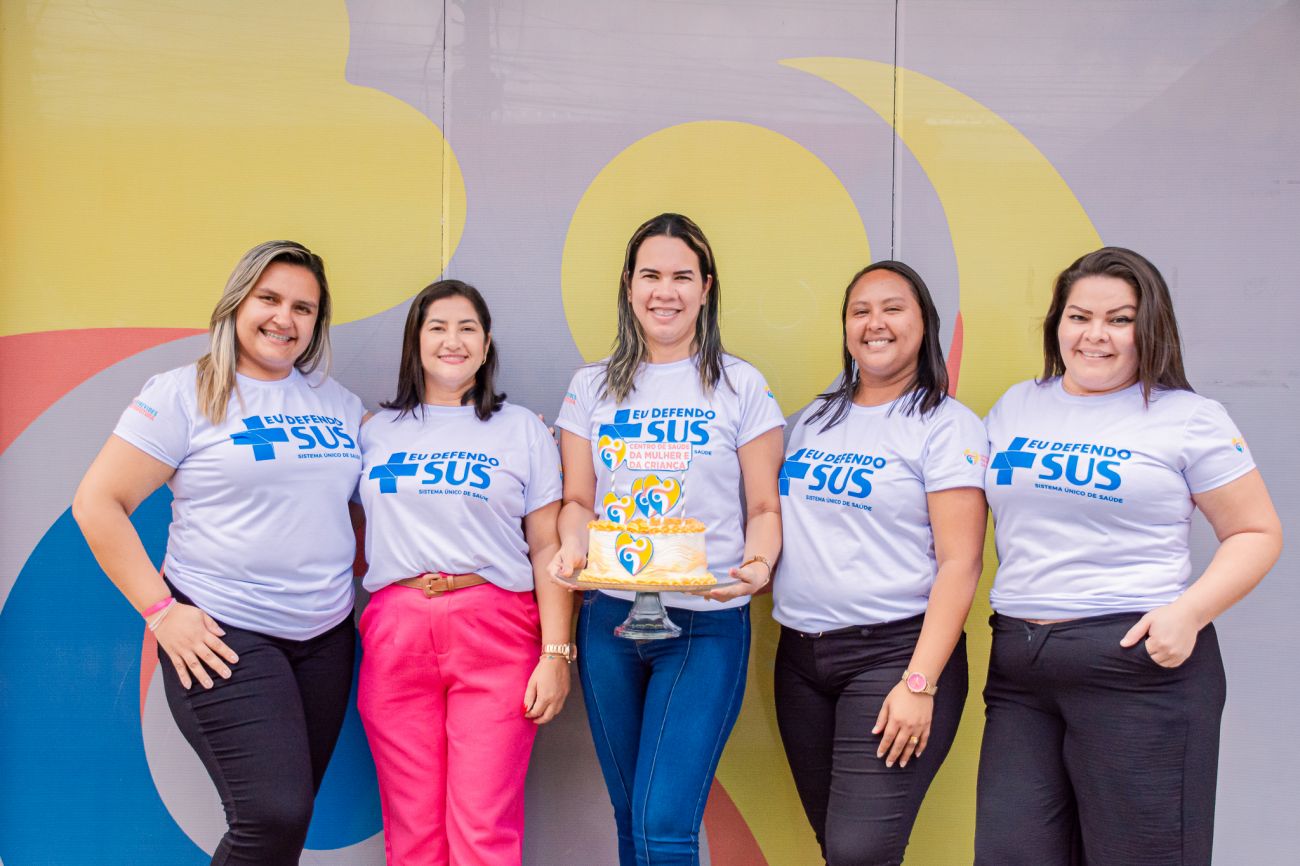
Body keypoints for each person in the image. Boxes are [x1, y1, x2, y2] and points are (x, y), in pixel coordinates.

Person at [975, 247, 1283, 865]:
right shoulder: (1016, 405)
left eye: (1119, 319)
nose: (1095, 335)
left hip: (1136, 667)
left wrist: (1189, 613)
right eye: (1079, 316)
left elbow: (1256, 531)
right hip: (1021, 673)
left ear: (1150, 328)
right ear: (1057, 323)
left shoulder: (1189, 418)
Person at [73, 241, 364, 865]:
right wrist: (161, 612)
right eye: (269, 299)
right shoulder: (184, 393)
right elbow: (97, 503)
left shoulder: (337, 404)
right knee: (271, 816)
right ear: (237, 304)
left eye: (303, 308)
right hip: (225, 632)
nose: (284, 318)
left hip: (325, 638)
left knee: (284, 827)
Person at [549, 213, 785, 866]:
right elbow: (577, 501)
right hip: (609, 621)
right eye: (650, 275)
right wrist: (571, 546)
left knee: (663, 823)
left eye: (682, 276)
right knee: (632, 820)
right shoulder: (591, 386)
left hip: (705, 622)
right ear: (629, 286)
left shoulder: (741, 385)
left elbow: (764, 505)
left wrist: (759, 563)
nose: (665, 291)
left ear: (706, 288)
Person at [773, 261, 987, 866]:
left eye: (893, 308)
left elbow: (961, 563)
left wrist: (919, 683)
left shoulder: (946, 426)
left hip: (892, 656)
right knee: (838, 848)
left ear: (925, 323)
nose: (875, 323)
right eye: (860, 311)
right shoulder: (815, 419)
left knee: (859, 851)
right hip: (800, 660)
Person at [355, 279, 570, 866]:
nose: (453, 341)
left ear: (486, 343)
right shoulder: (373, 432)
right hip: (396, 630)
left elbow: (546, 545)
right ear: (415, 341)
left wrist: (556, 653)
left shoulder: (522, 428)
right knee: (413, 829)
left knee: (483, 827)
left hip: (495, 627)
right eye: (438, 328)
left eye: (467, 328)